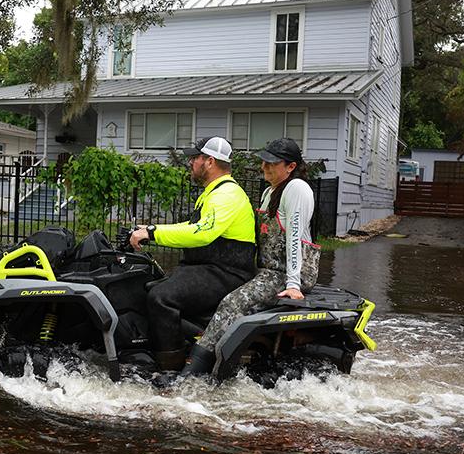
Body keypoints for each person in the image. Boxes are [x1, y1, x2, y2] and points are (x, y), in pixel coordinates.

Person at [180, 137, 321, 377]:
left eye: (271, 164)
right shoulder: (270, 191)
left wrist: (294, 284)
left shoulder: (297, 189)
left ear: (291, 167)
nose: (264, 168)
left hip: (286, 274)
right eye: (264, 162)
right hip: (268, 271)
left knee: (233, 303)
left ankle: (192, 374)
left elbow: (295, 236)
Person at [129, 136, 257, 370]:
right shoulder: (213, 192)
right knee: (145, 285)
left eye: (195, 157)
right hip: (208, 268)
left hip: (227, 272)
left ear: (209, 161)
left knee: (162, 298)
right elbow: (190, 226)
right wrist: (149, 229)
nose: (190, 162)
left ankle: (170, 369)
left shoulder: (227, 195)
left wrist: (153, 233)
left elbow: (202, 233)